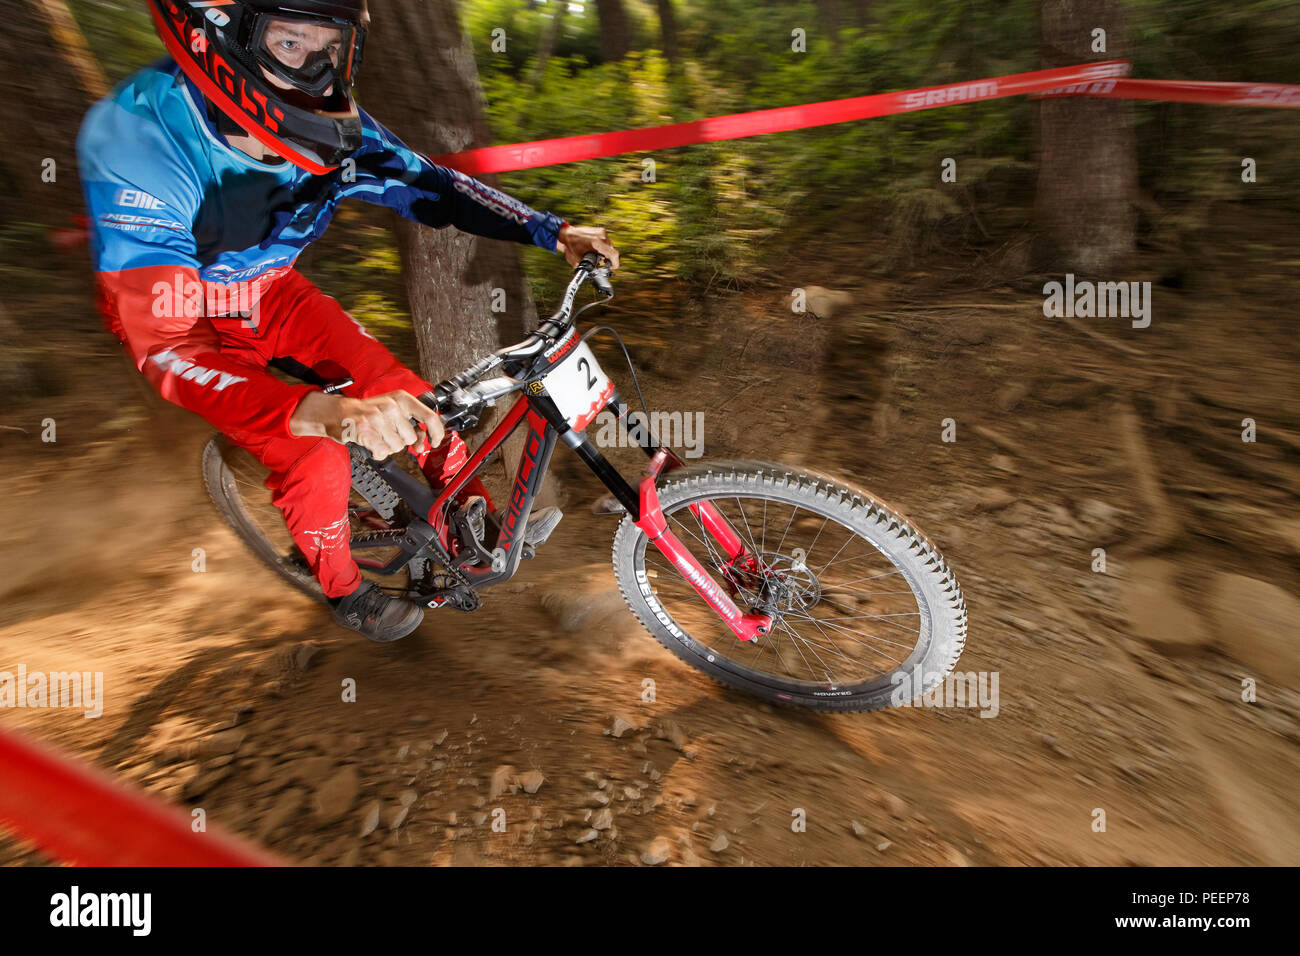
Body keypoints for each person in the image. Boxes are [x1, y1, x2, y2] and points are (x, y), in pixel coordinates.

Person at [77, 0, 620, 642]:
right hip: (179, 322)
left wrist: (553, 231)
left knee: (415, 399)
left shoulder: (336, 130)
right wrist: (318, 411)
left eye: (330, 45)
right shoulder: (139, 137)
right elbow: (164, 347)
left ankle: (469, 521)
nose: (318, 69)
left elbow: (436, 188)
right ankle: (343, 588)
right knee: (318, 461)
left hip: (268, 290)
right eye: (289, 43)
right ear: (213, 37)